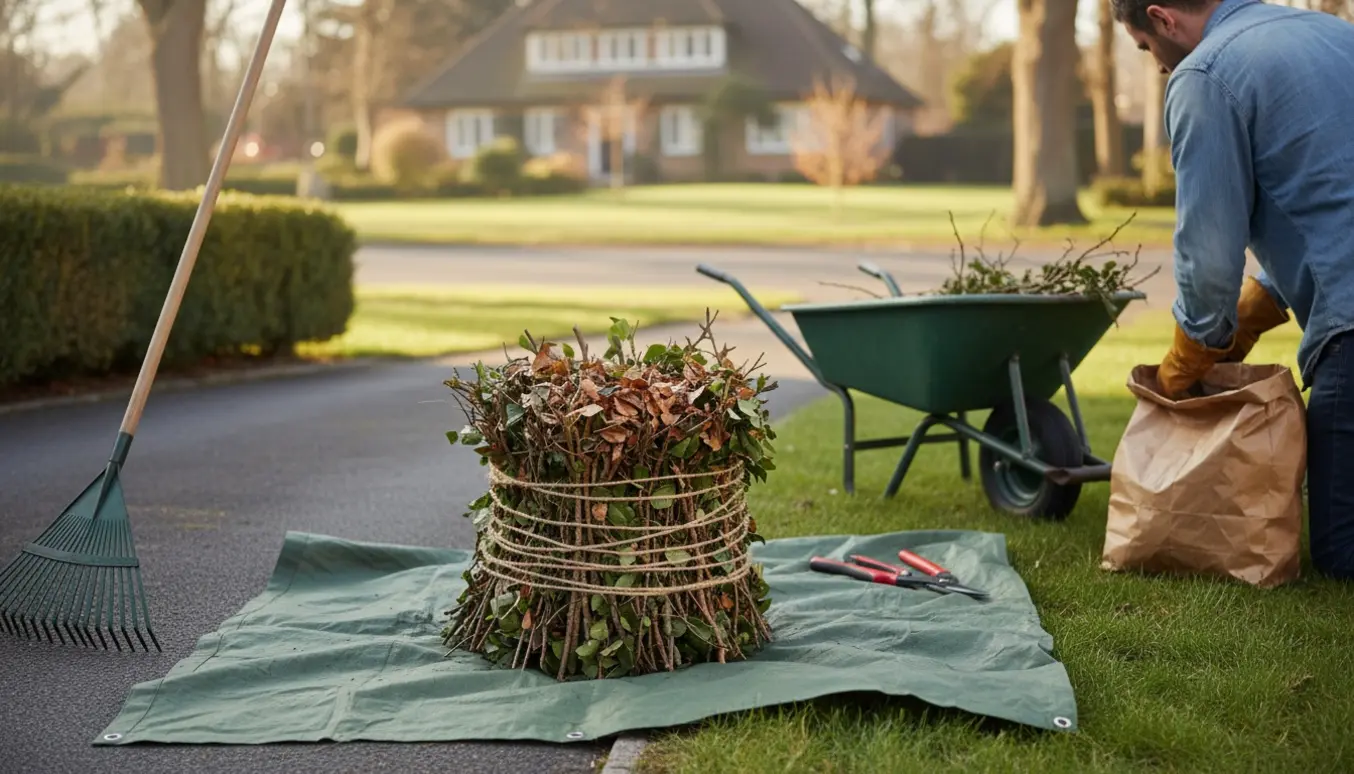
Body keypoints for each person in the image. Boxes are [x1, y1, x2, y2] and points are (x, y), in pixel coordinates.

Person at [1110, 0, 1354, 579]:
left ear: (1162, 18)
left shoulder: (1204, 75)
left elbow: (1209, 250)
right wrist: (1257, 307)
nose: (1158, 65)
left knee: (1342, 554)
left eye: (1146, 48)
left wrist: (1193, 350)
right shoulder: (1329, 33)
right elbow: (1329, 196)